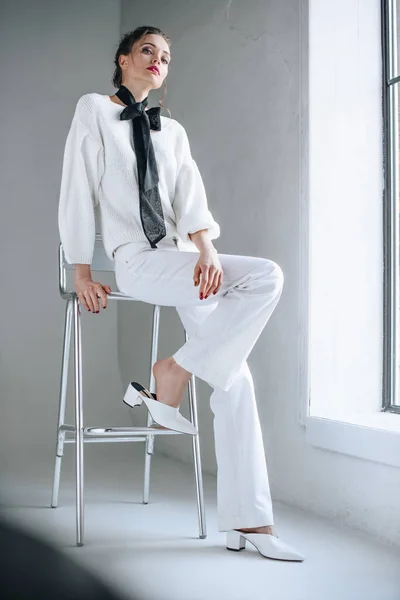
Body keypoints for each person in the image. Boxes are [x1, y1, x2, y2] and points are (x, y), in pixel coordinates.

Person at [58, 26, 304, 562]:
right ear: (123, 58)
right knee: (243, 327)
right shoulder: (94, 111)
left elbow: (190, 198)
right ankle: (173, 372)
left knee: (237, 370)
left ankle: (251, 523)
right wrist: (81, 270)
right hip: (138, 263)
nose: (157, 61)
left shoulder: (173, 131)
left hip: (185, 260)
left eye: (166, 57)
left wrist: (208, 251)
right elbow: (76, 188)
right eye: (148, 50)